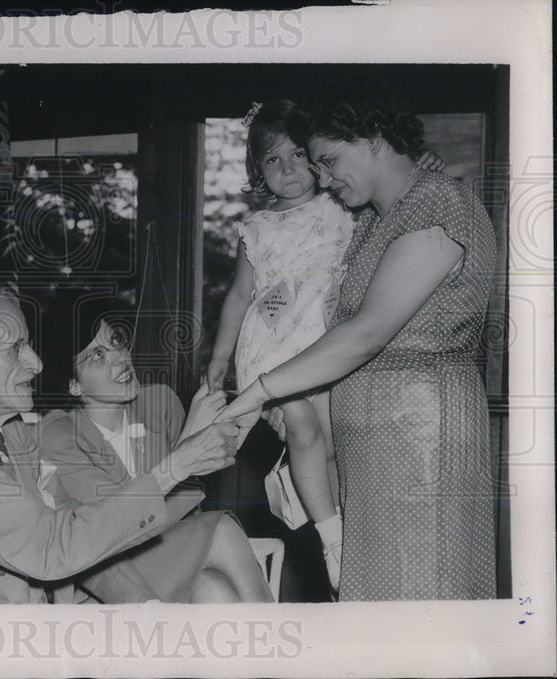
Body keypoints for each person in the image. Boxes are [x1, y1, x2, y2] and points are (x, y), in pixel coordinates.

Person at [219, 95, 498, 601]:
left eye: (327, 161)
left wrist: (262, 389)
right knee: (374, 600)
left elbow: (368, 332)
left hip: (420, 437)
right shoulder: (374, 218)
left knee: (420, 596)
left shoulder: (437, 206)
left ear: (372, 138)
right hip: (368, 449)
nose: (321, 179)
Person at [0, 285, 247, 603]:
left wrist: (144, 606)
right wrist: (178, 465)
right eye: (17, 348)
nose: (37, 364)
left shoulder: (11, 430)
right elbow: (51, 548)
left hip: (36, 629)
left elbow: (74, 527)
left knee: (214, 593)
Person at [205, 100, 353, 592]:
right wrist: (220, 358)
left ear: (316, 157)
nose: (288, 169)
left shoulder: (343, 207)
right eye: (273, 160)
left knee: (328, 447)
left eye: (297, 155)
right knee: (306, 433)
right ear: (258, 170)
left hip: (325, 345)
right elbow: (239, 296)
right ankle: (332, 540)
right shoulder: (259, 227)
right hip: (273, 349)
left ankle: (302, 494)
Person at [39, 292, 273, 603]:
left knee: (216, 592)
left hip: (169, 554)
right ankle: (279, 643)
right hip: (109, 575)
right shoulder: (58, 434)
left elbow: (188, 507)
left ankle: (269, 644)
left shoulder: (159, 403)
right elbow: (117, 520)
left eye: (117, 342)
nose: (120, 358)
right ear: (73, 384)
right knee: (222, 530)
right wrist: (189, 439)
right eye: (97, 355)